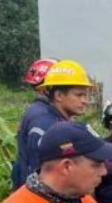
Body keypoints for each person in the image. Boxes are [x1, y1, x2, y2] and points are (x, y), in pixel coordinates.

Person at [12, 60, 94, 189]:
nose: (85, 101)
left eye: (85, 95)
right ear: (59, 95)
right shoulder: (45, 123)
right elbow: (41, 172)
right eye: (79, 95)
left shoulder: (46, 115)